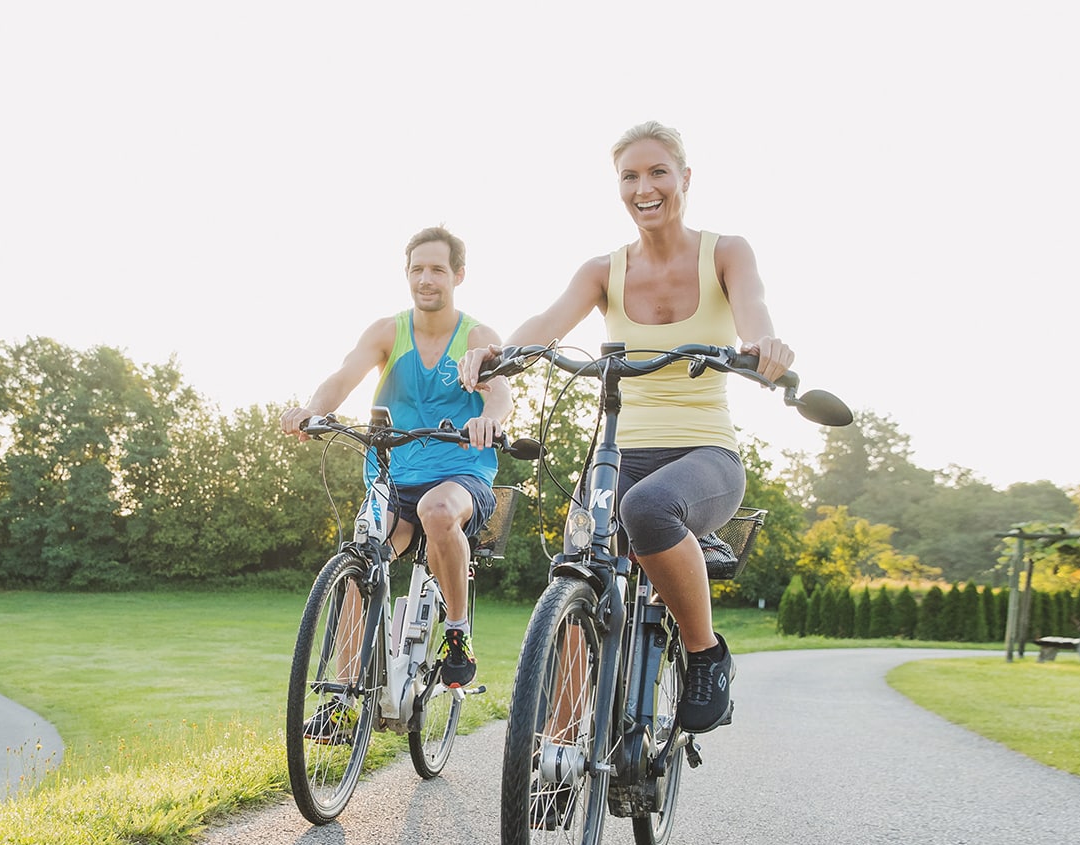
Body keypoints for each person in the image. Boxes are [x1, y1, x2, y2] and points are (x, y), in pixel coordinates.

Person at [458, 121, 795, 734]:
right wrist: (496, 353)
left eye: (658, 172)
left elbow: (753, 307)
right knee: (577, 563)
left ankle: (704, 654)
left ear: (684, 179)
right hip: (620, 452)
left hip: (704, 454)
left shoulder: (725, 252)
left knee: (646, 509)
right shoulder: (602, 270)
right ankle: (559, 754)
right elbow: (548, 321)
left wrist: (763, 344)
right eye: (630, 177)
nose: (645, 187)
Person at [281, 225, 512, 698]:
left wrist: (489, 419)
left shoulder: (477, 335)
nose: (426, 279)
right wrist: (314, 409)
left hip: (459, 474)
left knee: (438, 512)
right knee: (363, 554)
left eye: (437, 270)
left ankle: (457, 632)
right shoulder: (388, 331)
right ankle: (343, 697)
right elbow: (344, 376)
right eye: (417, 270)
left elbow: (501, 391)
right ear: (407, 274)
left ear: (458, 276)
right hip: (393, 476)